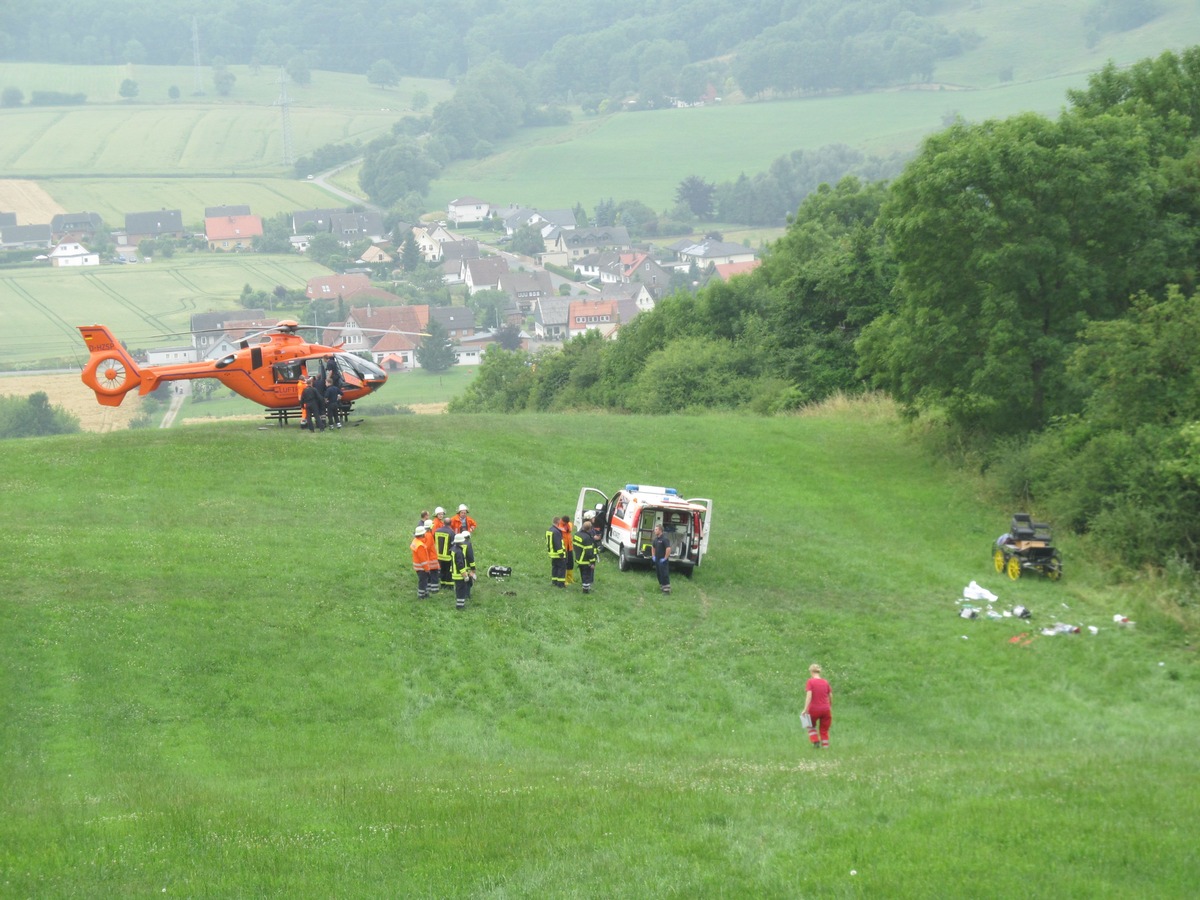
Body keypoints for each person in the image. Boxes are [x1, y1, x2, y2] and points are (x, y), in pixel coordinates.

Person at [802, 663, 833, 749]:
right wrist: (829, 705)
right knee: (824, 729)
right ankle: (826, 747)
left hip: (814, 708)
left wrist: (805, 709)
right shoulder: (825, 682)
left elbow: (809, 696)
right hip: (826, 709)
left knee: (809, 724)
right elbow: (830, 695)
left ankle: (815, 741)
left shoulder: (810, 682)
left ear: (811, 672)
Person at [574, 513, 599, 594]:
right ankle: (586, 590)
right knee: (586, 575)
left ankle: (585, 586)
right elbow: (589, 552)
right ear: (589, 529)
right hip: (585, 560)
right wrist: (592, 562)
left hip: (579, 558)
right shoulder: (587, 538)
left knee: (583, 574)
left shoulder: (577, 534)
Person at [451, 532, 472, 610]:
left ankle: (459, 604)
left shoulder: (453, 549)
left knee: (458, 589)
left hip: (454, 573)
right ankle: (460, 606)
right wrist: (465, 575)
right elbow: (460, 564)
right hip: (459, 575)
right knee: (461, 590)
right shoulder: (459, 552)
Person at [410, 525, 431, 599]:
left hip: (417, 566)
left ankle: (423, 593)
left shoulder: (415, 541)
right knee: (423, 581)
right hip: (421, 567)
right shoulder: (420, 545)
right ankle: (421, 595)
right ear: (422, 534)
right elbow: (423, 559)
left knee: (423, 580)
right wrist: (427, 568)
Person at [651, 523, 671, 594]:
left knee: (664, 574)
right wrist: (653, 556)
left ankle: (667, 590)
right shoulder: (656, 540)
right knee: (659, 574)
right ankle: (662, 587)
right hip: (657, 560)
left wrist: (665, 558)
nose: (654, 531)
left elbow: (668, 549)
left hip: (663, 561)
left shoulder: (664, 539)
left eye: (656, 529)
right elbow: (653, 547)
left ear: (660, 530)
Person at [546, 516, 567, 588]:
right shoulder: (556, 532)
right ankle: (560, 584)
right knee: (561, 568)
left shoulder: (550, 530)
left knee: (555, 567)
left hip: (552, 553)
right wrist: (561, 554)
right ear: (558, 522)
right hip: (558, 554)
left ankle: (554, 581)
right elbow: (558, 543)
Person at [434, 517, 455, 586]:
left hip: (438, 555)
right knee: (448, 571)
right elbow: (453, 544)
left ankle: (442, 584)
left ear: (443, 523)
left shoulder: (437, 531)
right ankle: (449, 585)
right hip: (447, 556)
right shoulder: (451, 532)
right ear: (450, 523)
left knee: (442, 570)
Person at [422, 518, 440, 594]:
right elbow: (428, 546)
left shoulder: (425, 534)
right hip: (432, 558)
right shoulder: (429, 535)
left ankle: (429, 587)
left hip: (428, 558)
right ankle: (434, 589)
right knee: (434, 574)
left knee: (429, 574)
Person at [561, 514, 575, 585]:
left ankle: (570, 578)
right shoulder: (559, 525)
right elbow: (563, 529)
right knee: (564, 563)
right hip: (563, 547)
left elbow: (569, 529)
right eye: (564, 523)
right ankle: (564, 579)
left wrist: (566, 525)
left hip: (569, 547)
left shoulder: (569, 524)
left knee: (570, 563)